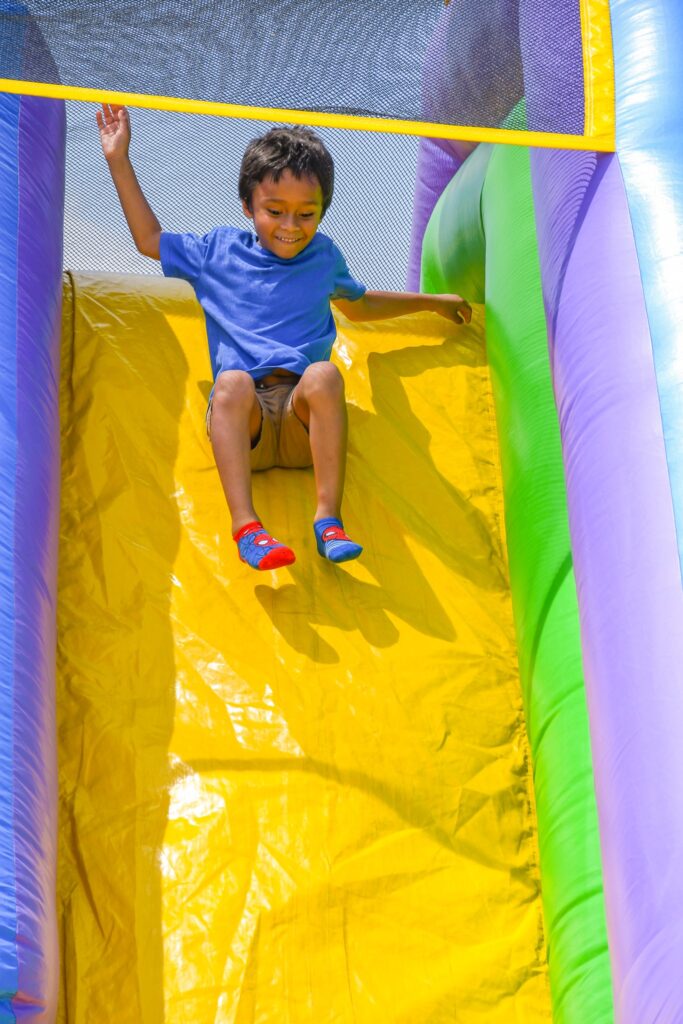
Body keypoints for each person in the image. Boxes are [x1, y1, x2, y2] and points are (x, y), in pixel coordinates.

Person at [97, 103, 472, 571]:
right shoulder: (218, 253)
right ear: (248, 206)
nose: (291, 227)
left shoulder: (324, 257)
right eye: (275, 211)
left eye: (306, 214)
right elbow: (149, 240)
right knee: (231, 383)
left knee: (324, 374)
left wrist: (430, 301)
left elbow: (361, 304)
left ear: (322, 212)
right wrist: (118, 159)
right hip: (246, 425)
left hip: (301, 423)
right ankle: (247, 527)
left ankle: (328, 520)